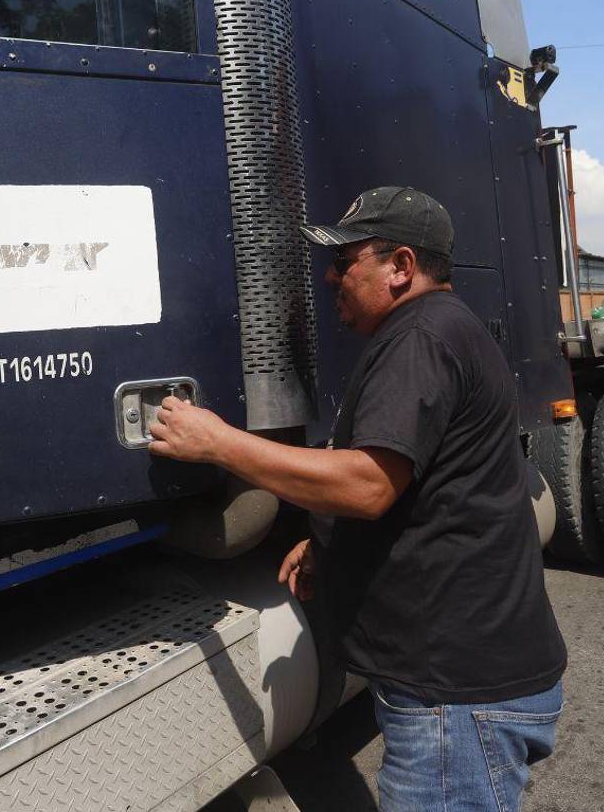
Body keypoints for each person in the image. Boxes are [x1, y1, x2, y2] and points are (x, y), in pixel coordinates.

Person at [149, 186, 567, 812]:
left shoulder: (421, 338)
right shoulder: (442, 329)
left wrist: (217, 443)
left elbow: (368, 485)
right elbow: (433, 486)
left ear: (400, 266)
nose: (330, 275)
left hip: (455, 697)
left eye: (346, 261)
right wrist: (330, 543)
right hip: (465, 681)